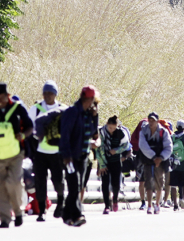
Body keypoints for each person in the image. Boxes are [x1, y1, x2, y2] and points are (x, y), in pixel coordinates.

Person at [0, 83, 32, 228]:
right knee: (0, 186)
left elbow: (30, 127)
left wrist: (22, 135)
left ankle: (18, 212)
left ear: (7, 95)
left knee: (14, 183)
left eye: (1, 98)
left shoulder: (17, 108)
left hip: (16, 154)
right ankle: (4, 219)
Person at [59, 85, 100, 227]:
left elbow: (94, 131)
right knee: (74, 186)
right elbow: (65, 134)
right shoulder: (72, 112)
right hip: (70, 156)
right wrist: (66, 155)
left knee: (78, 186)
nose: (92, 103)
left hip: (83, 156)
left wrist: (95, 116)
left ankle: (66, 214)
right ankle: (77, 215)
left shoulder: (88, 114)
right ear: (85, 98)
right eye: (91, 100)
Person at [28, 80, 66, 222]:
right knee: (40, 182)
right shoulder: (36, 109)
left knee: (57, 181)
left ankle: (61, 202)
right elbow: (29, 127)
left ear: (55, 94)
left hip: (57, 153)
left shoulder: (63, 109)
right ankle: (42, 211)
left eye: (50, 93)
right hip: (40, 152)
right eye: (45, 93)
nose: (47, 96)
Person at [137, 112, 172, 215]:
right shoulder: (143, 131)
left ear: (157, 121)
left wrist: (160, 158)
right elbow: (142, 145)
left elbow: (169, 147)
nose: (151, 123)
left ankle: (157, 204)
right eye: (150, 120)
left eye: (153, 120)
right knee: (148, 182)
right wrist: (153, 157)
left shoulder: (163, 132)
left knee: (159, 182)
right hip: (148, 160)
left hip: (161, 160)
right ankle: (149, 205)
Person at [97, 115, 130, 214]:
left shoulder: (120, 133)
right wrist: (101, 165)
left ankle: (115, 199)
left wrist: (116, 150)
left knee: (116, 184)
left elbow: (126, 145)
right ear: (107, 125)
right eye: (109, 128)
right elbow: (98, 149)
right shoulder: (101, 132)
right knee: (105, 184)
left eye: (113, 128)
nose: (111, 130)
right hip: (104, 160)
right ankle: (107, 205)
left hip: (116, 161)